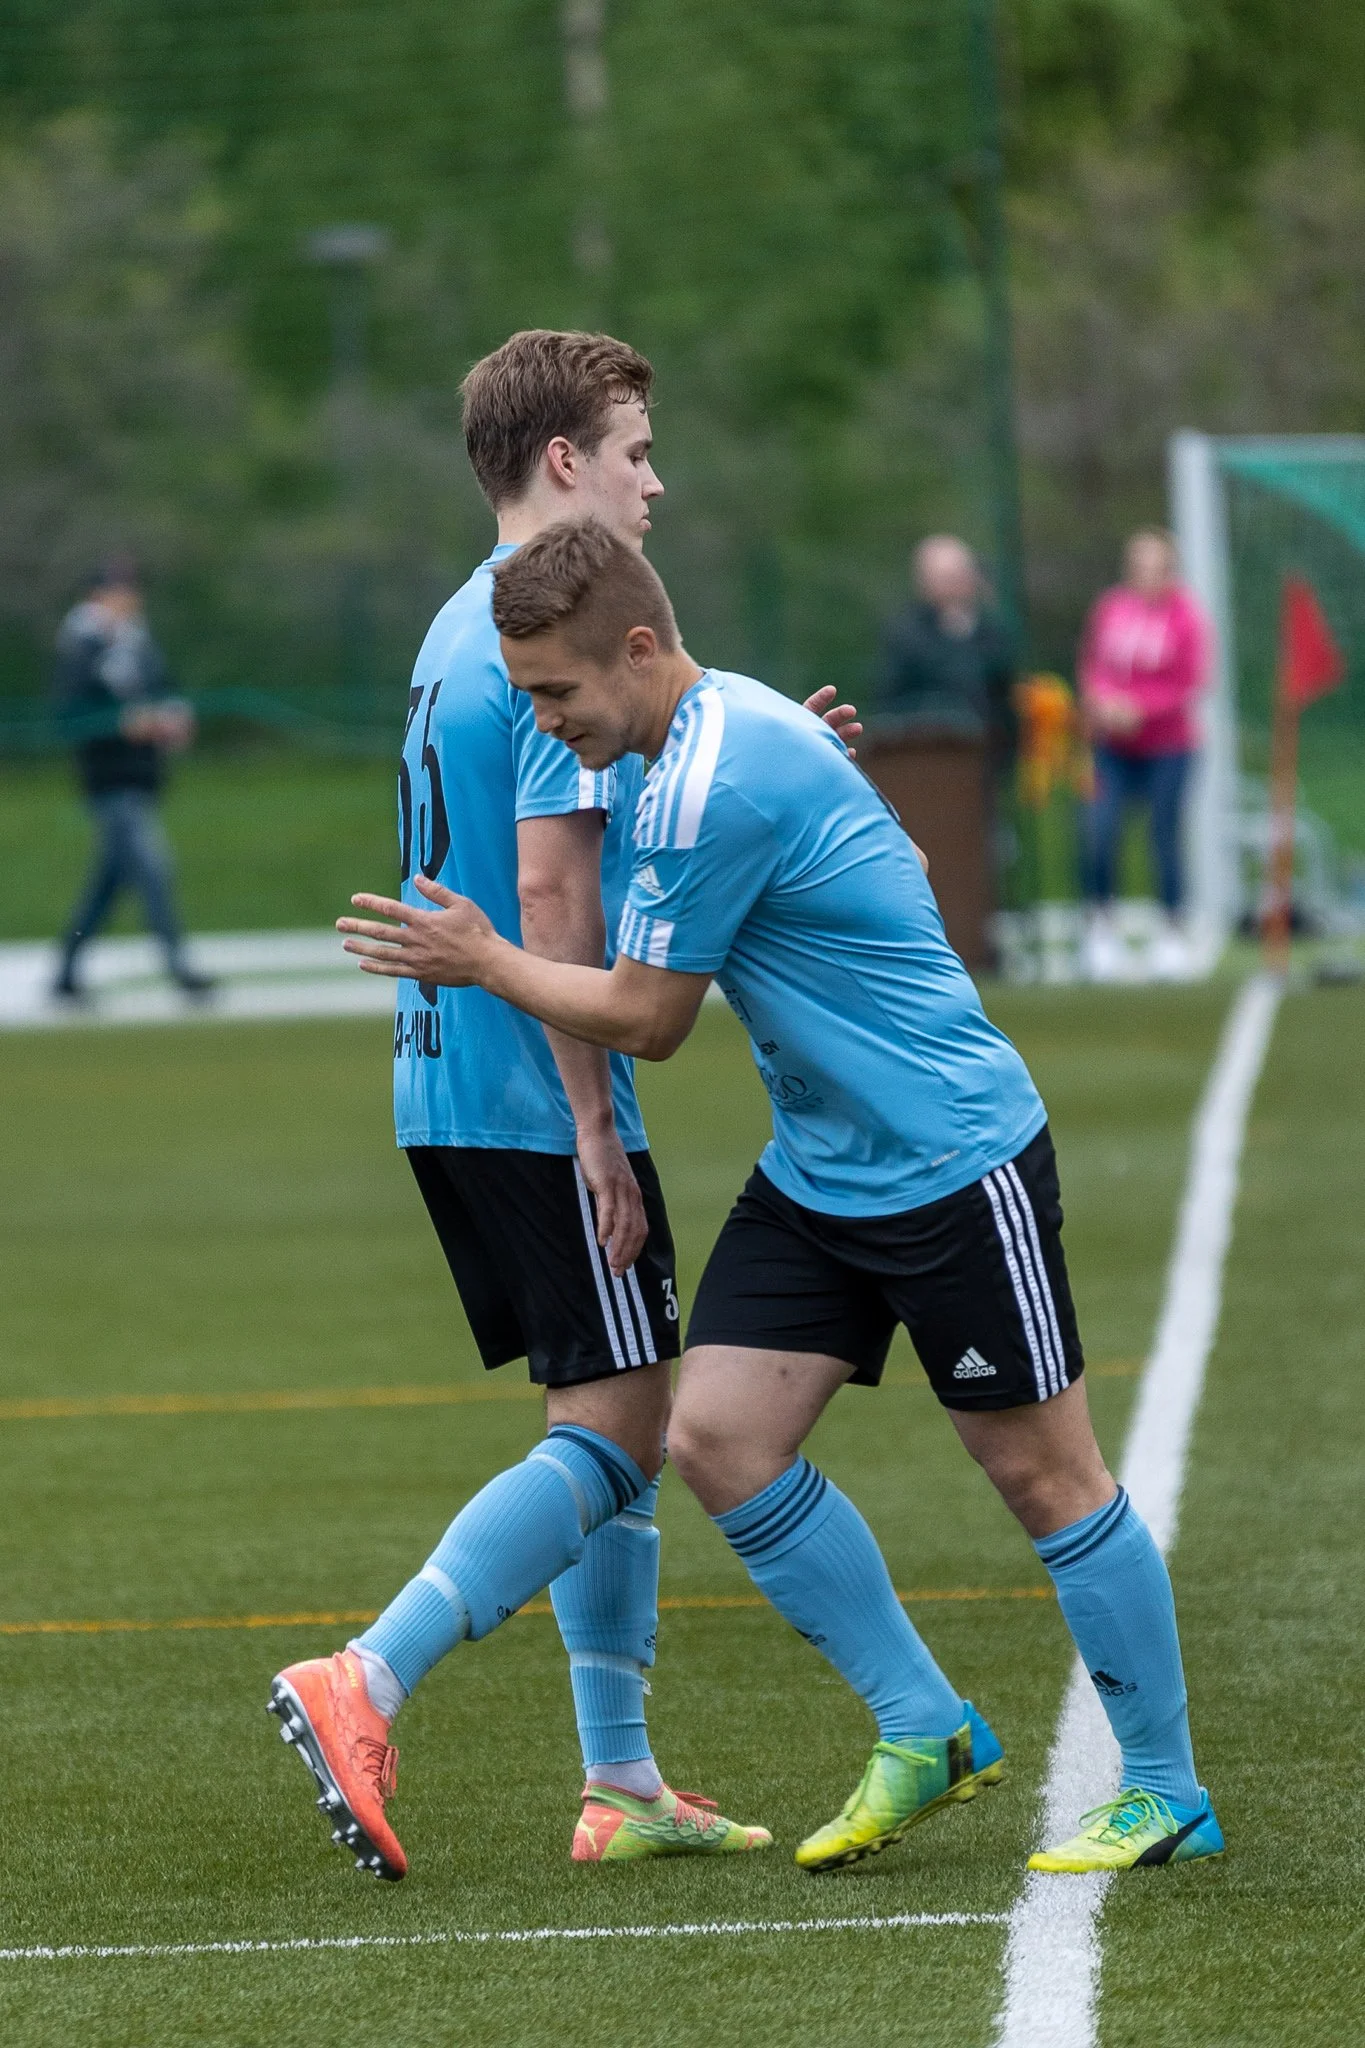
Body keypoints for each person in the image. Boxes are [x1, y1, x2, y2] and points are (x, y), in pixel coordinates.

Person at [340, 518, 1225, 1880]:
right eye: (525, 696)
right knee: (715, 1435)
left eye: (556, 693)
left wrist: (485, 960)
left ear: (639, 648)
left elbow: (649, 1018)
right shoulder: (706, 740)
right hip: (823, 1167)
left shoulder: (718, 772)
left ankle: (1164, 1790)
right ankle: (926, 1725)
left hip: (951, 1159)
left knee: (1042, 1471)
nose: (543, 723)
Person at [268, 331, 858, 1882]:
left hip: (448, 1073)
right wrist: (598, 1126)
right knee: (619, 1425)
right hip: (534, 1089)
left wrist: (758, 755)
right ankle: (368, 1674)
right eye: (636, 451)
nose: (656, 483)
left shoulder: (464, 619)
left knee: (615, 1409)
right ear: (562, 461)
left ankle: (620, 1780)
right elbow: (550, 889)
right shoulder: (543, 636)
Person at [51, 559, 213, 1002]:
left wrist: (173, 718)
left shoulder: (136, 642)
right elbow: (72, 714)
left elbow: (163, 689)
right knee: (153, 869)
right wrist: (124, 723)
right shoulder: (81, 647)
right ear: (98, 596)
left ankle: (66, 972)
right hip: (109, 780)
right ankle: (179, 968)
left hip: (141, 778)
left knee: (109, 882)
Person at [1078, 528, 1210, 982]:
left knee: (1164, 834)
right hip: (1112, 747)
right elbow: (1093, 665)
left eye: (1156, 567)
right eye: (1139, 566)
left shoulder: (1186, 616)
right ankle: (1100, 927)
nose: (1146, 575)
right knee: (1099, 829)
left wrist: (1141, 710)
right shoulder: (1111, 608)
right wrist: (1102, 703)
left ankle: (1171, 929)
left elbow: (1189, 681)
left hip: (1168, 746)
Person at [881, 534, 1016, 754]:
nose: (954, 585)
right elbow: (892, 696)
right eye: (945, 578)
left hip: (987, 750)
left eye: (958, 575)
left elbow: (1005, 694)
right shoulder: (906, 633)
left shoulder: (992, 632)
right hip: (925, 750)